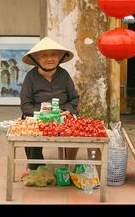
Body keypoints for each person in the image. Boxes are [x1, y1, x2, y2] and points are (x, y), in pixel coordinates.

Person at [20, 36, 79, 178]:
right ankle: (34, 166)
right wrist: (43, 114)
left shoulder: (64, 75)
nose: (49, 58)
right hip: (38, 116)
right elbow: (25, 105)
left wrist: (66, 111)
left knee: (76, 130)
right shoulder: (31, 77)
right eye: (44, 55)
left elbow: (74, 99)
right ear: (36, 59)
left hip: (62, 114)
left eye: (53, 55)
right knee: (32, 130)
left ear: (59, 58)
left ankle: (68, 165)